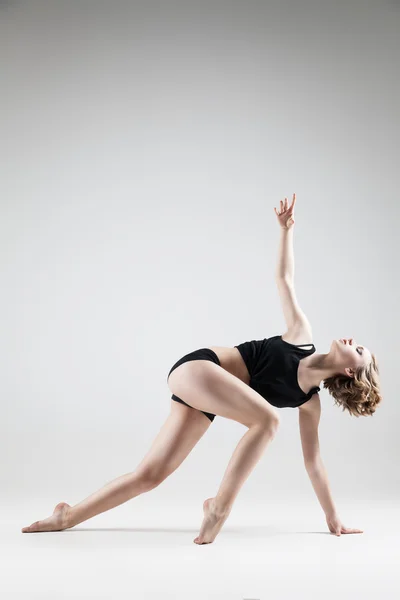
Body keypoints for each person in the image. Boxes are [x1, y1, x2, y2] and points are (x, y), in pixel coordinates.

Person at [21, 193, 382, 542]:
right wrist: (286, 232)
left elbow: (314, 463)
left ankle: (67, 516)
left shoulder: (309, 402)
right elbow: (284, 281)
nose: (353, 340)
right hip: (199, 368)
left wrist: (334, 518)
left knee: (150, 475)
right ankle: (218, 511)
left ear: (350, 372)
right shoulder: (301, 337)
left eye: (360, 350)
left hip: (205, 396)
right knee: (268, 420)